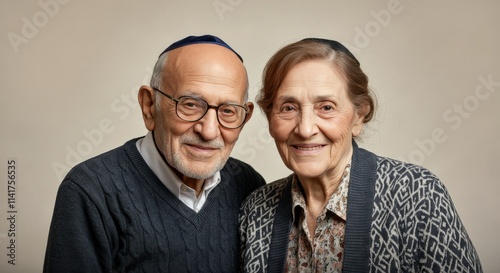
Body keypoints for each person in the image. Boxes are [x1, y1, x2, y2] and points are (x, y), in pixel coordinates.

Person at [239, 38, 483, 273]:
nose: (305, 129)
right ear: (270, 117)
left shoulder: (417, 195)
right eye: (288, 108)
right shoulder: (256, 210)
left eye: (326, 107)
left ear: (359, 116)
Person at [44, 34, 266, 273]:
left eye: (228, 111)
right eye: (190, 104)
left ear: (244, 118)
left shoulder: (250, 187)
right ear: (150, 106)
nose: (209, 131)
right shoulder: (91, 190)